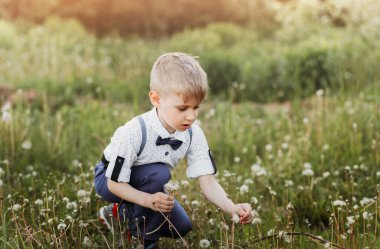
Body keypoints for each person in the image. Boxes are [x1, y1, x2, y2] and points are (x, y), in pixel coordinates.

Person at [94, 52, 252, 249]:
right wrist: (147, 200)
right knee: (158, 174)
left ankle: (119, 213)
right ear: (156, 99)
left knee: (181, 226)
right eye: (183, 108)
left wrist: (231, 207)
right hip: (110, 180)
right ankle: (144, 241)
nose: (191, 116)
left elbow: (208, 181)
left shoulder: (193, 134)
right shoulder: (135, 131)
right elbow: (114, 184)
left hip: (148, 183)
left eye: (196, 107)